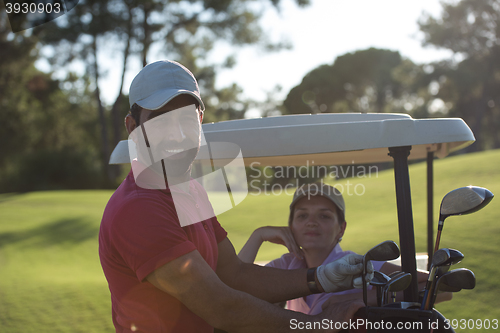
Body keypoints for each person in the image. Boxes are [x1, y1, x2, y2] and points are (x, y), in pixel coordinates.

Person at [99, 60, 373, 333]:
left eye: (185, 119)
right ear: (133, 127)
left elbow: (235, 275)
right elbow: (221, 307)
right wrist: (318, 326)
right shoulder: (139, 208)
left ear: (200, 120)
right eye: (161, 121)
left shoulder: (190, 189)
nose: (178, 135)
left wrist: (321, 277)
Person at [239, 182, 450, 314]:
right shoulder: (287, 264)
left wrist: (356, 300)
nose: (311, 222)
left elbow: (440, 288)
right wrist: (258, 236)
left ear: (341, 229)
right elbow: (234, 286)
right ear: (291, 226)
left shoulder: (356, 264)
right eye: (302, 216)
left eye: (324, 216)